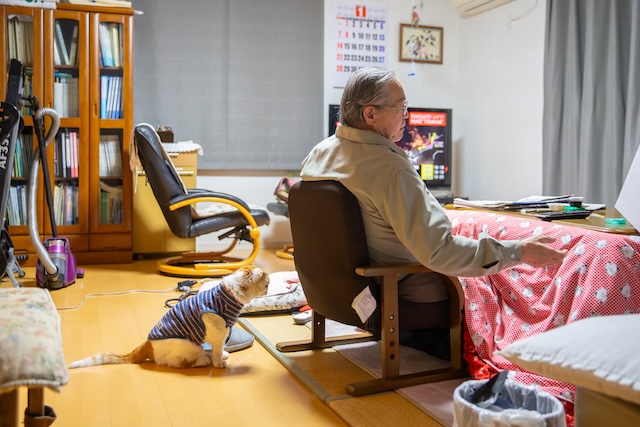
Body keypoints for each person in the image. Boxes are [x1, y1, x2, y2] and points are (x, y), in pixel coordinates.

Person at [300, 66, 567, 353]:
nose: (407, 115)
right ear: (370, 114)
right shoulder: (389, 170)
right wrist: (519, 252)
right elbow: (440, 252)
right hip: (392, 283)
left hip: (335, 286)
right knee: (499, 280)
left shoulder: (319, 154)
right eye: (401, 106)